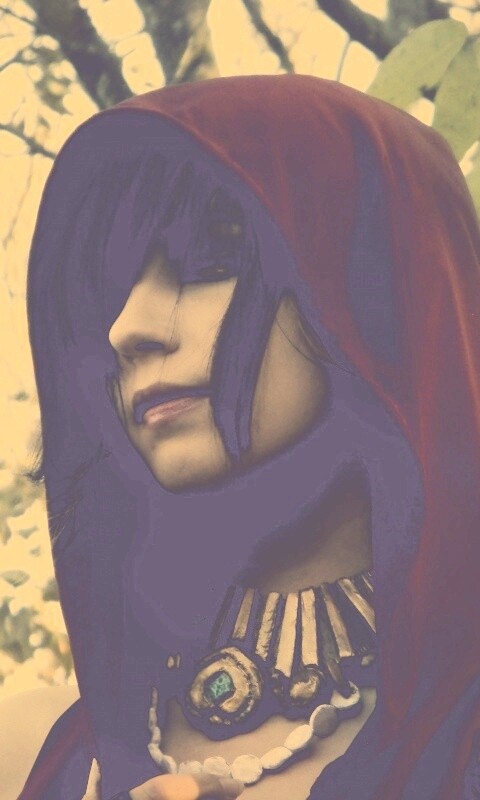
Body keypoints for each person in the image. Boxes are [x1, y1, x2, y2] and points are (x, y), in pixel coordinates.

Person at [2, 74, 480, 800]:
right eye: (112, 287)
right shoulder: (32, 750)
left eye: (211, 260)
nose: (127, 327)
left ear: (378, 283)